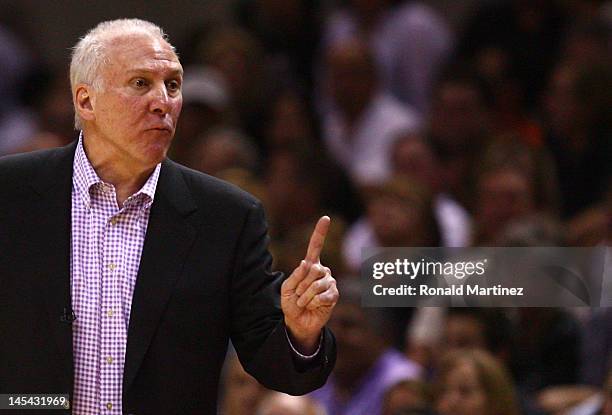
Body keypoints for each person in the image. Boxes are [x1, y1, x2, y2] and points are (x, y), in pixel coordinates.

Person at [0, 19, 338, 414]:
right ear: (86, 101)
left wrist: (300, 330)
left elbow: (277, 367)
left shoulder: (227, 217)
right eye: (140, 83)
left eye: (173, 85)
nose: (163, 101)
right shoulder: (11, 193)